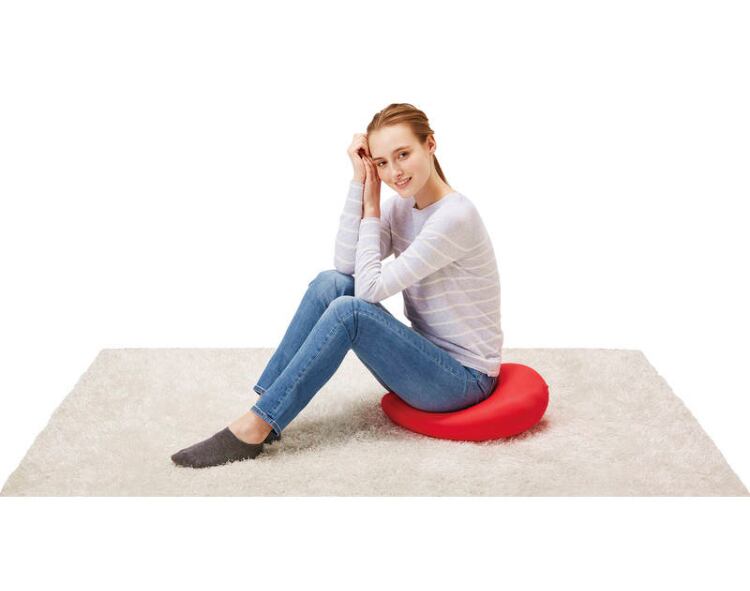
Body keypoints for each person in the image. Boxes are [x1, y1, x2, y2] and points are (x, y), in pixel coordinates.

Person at [171, 103, 503, 468]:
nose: (394, 172)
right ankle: (267, 406)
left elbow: (369, 292)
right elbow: (346, 265)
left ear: (431, 145)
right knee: (331, 283)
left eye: (403, 154)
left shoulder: (455, 217)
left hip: (463, 381)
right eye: (381, 163)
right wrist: (359, 183)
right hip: (425, 358)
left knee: (351, 312)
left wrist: (372, 208)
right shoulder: (403, 209)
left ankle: (258, 425)